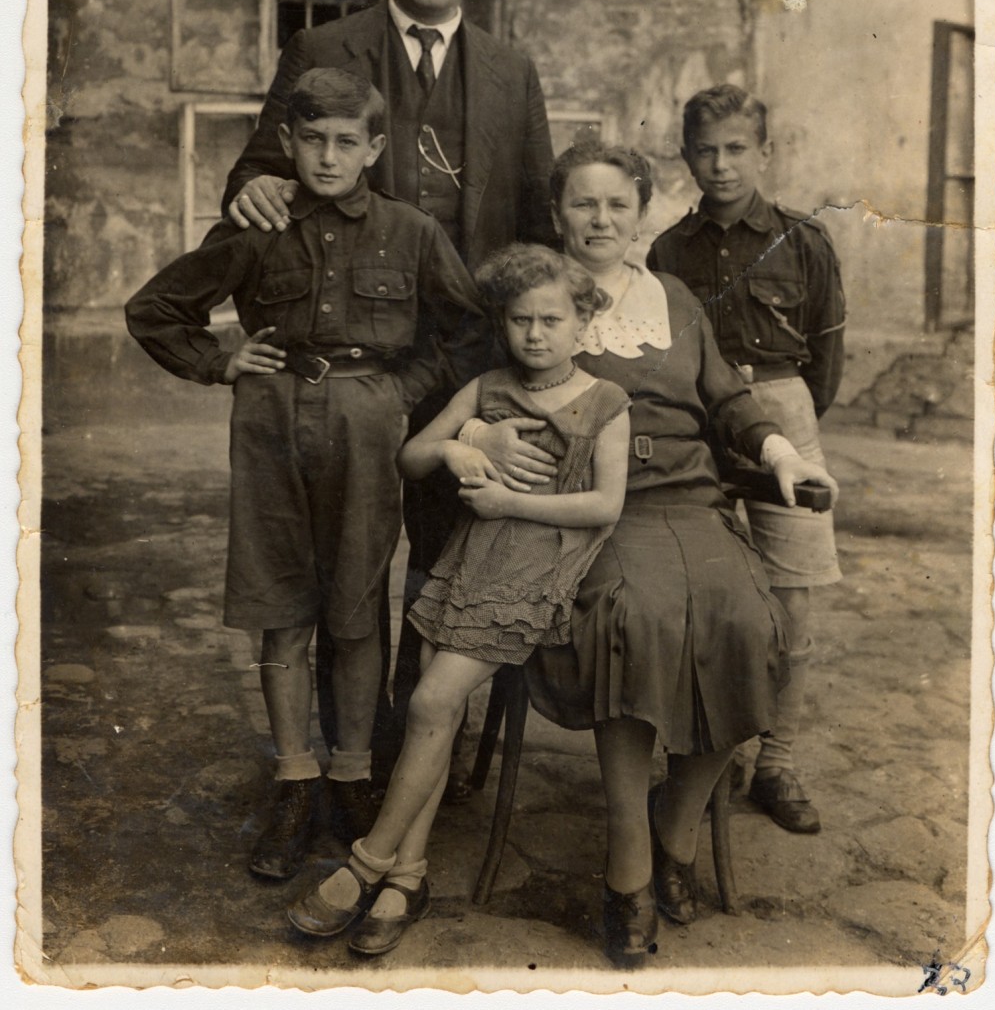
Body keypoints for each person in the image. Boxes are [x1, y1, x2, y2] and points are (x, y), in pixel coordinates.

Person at [464, 142, 838, 965]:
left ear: (640, 213)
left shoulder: (673, 296)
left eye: (617, 206)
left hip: (692, 505)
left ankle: (677, 825)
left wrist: (780, 454)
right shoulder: (537, 296)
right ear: (557, 214)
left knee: (750, 619)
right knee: (636, 619)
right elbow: (483, 393)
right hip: (592, 515)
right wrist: (478, 434)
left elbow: (730, 400)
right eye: (582, 206)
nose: (600, 221)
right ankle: (629, 859)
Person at [220, 0, 554, 780]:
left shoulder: (509, 69)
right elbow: (261, 166)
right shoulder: (324, 46)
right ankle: (342, 758)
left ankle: (414, 753)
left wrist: (525, 369)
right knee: (337, 571)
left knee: (444, 557)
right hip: (340, 363)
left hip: (458, 360)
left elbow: (535, 220)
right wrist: (248, 185)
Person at [125, 69, 484, 883]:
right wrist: (219, 362)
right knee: (280, 602)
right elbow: (154, 310)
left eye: (346, 142)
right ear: (287, 142)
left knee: (357, 606)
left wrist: (402, 392)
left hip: (367, 418)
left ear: (375, 148)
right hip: (271, 420)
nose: (328, 157)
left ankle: (352, 774)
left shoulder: (412, 230)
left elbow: (465, 331)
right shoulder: (257, 226)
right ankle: (294, 776)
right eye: (312, 139)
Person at [285, 245, 631, 956]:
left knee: (430, 703)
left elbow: (606, 505)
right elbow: (409, 455)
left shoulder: (605, 402)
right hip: (470, 561)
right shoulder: (485, 389)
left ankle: (369, 860)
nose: (534, 334)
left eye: (550, 319)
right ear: (502, 324)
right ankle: (409, 874)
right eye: (518, 320)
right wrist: (453, 450)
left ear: (582, 322)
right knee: (433, 713)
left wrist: (506, 498)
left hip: (539, 569)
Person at [647, 85, 845, 835]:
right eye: (705, 149)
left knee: (792, 598)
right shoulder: (669, 249)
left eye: (736, 149)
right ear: (686, 155)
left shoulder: (804, 240)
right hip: (698, 423)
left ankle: (778, 761)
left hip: (783, 416)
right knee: (702, 593)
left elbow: (825, 357)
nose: (721, 164)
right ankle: (706, 751)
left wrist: (790, 429)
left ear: (765, 153)